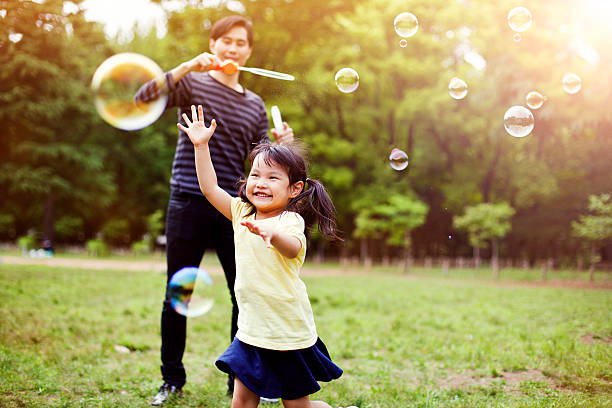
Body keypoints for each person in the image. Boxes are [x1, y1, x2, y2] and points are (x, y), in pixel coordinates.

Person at [135, 15, 294, 406]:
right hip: (187, 199)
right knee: (178, 294)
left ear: (248, 51)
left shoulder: (255, 105)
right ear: (213, 44)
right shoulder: (192, 83)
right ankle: (171, 380)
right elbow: (143, 97)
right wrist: (187, 65)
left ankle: (240, 382)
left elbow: (261, 164)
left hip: (233, 209)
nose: (233, 48)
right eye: (226, 41)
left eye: (240, 43)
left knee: (244, 294)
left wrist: (283, 145)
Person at [179, 104, 344, 407]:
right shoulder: (241, 211)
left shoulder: (289, 222)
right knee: (242, 401)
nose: (260, 183)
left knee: (296, 406)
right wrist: (201, 146)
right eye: (255, 174)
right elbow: (209, 187)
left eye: (272, 178)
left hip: (286, 330)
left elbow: (293, 247)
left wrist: (273, 235)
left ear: (294, 189)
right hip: (252, 329)